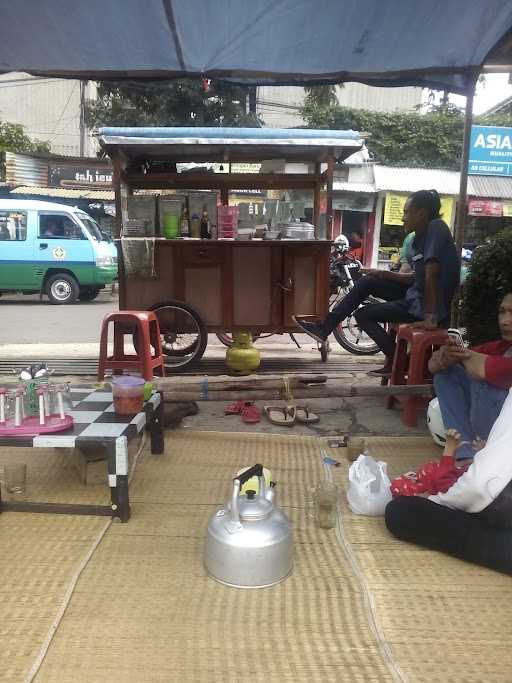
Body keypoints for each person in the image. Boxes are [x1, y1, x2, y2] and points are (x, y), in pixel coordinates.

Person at [295, 189, 460, 376]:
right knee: (367, 282)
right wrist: (380, 273)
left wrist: (430, 318)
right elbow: (416, 277)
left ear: (421, 213)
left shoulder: (436, 228)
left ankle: (402, 362)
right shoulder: (420, 238)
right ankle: (325, 328)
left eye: (407, 212)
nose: (403, 218)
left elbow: (432, 275)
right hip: (416, 296)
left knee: (363, 315)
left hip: (427, 307)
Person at [385, 386, 512, 574]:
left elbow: (479, 486)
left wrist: (437, 501)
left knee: (400, 512)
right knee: (447, 377)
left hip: (496, 500)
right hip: (490, 494)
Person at [427, 291, 512, 462]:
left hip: (504, 443)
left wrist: (458, 355)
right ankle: (465, 453)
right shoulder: (503, 347)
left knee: (485, 381)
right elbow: (433, 366)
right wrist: (445, 357)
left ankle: (487, 456)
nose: (505, 320)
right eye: (502, 312)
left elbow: (482, 369)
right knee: (446, 375)